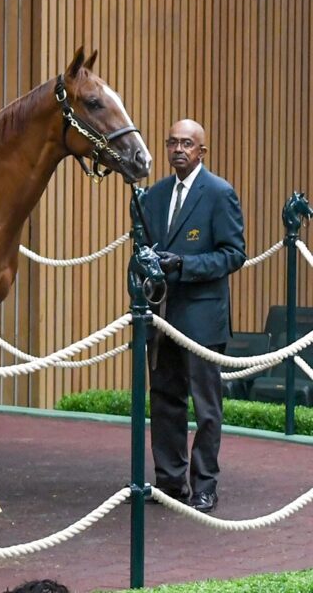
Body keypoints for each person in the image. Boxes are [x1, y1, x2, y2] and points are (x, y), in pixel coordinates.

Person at [142, 119, 246, 513]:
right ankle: (169, 482)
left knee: (205, 408)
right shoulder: (154, 195)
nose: (178, 149)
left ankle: (205, 486)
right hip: (161, 316)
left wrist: (182, 265)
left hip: (202, 320)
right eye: (172, 142)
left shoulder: (219, 193)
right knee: (165, 401)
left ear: (202, 151)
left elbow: (234, 254)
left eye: (187, 143)